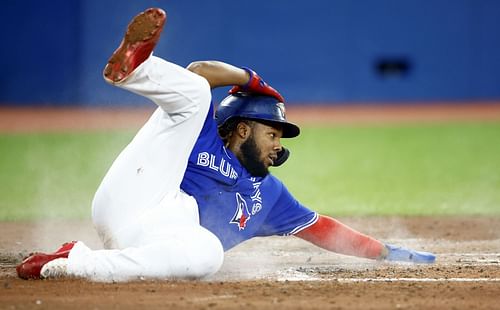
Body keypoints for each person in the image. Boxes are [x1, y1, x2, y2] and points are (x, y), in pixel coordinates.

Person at [16, 8, 435, 282]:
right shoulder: (198, 133)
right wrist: (251, 80)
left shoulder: (270, 194)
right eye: (272, 132)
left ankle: (72, 261)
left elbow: (322, 229)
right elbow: (199, 72)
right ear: (240, 129)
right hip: (133, 198)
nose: (278, 145)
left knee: (208, 254)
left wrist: (386, 252)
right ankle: (131, 71)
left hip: (160, 240)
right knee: (196, 93)